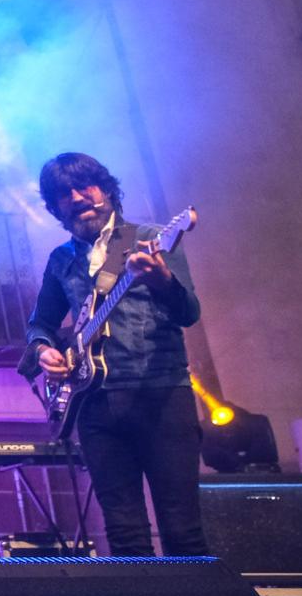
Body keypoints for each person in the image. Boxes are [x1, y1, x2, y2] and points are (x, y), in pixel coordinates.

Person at [20, 152, 207, 559]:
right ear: (55, 208)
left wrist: (161, 279)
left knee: (182, 531)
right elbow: (39, 324)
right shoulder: (61, 260)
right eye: (63, 195)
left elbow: (188, 313)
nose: (76, 197)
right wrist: (44, 350)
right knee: (124, 536)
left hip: (160, 394)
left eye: (85, 185)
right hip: (95, 407)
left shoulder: (152, 238)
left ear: (106, 189)